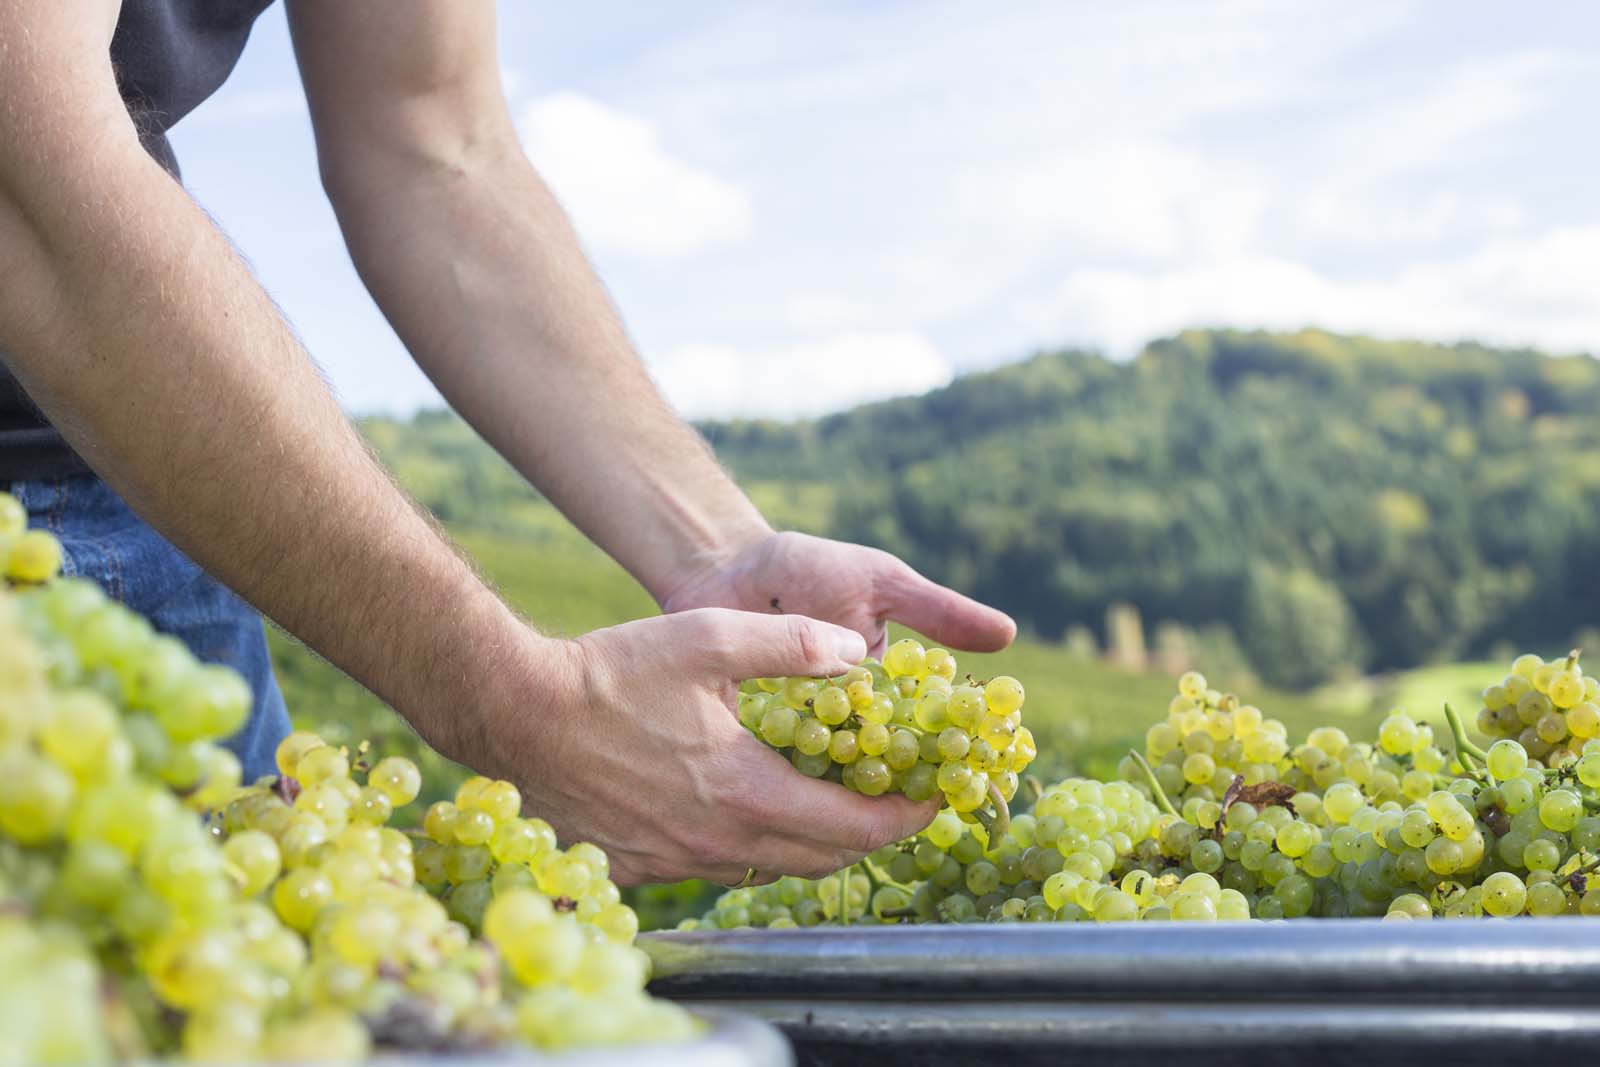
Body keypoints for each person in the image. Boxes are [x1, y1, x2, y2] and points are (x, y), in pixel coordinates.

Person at [0, 1, 1015, 887]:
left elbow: (436, 143)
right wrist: (510, 699)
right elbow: (22, 144)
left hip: (156, 481)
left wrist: (718, 551)